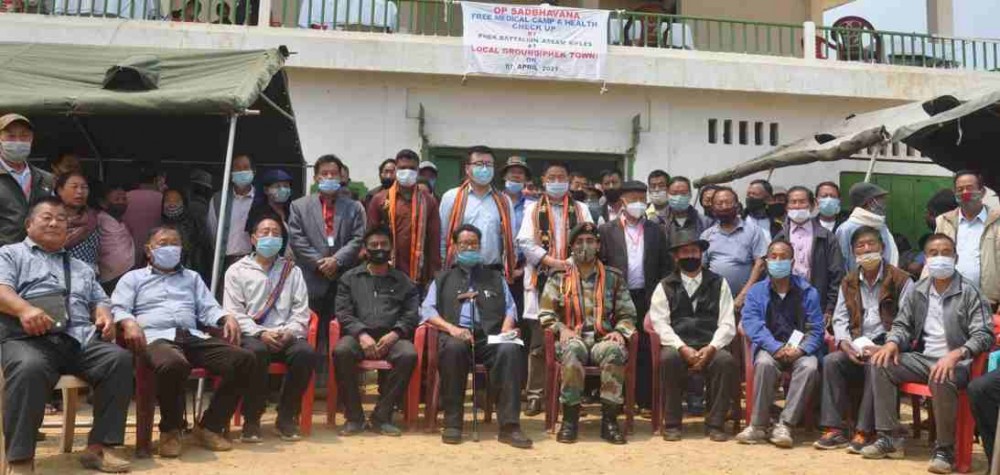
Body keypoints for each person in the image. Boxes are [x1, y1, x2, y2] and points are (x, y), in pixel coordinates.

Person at [0, 197, 134, 474]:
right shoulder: (10, 254)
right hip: (28, 340)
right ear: (28, 225)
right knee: (29, 368)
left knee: (117, 360)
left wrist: (103, 314)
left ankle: (100, 448)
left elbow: (100, 298)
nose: (54, 222)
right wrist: (24, 309)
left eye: (61, 219)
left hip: (77, 340)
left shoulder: (81, 267)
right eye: (46, 217)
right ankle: (21, 459)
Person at [112, 225, 254, 457]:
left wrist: (226, 316)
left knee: (244, 359)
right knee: (173, 364)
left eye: (174, 243)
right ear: (149, 250)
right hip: (156, 338)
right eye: (162, 243)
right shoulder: (133, 278)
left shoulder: (192, 277)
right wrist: (128, 323)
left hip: (191, 336)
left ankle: (209, 426)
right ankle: (171, 430)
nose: (169, 248)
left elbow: (208, 307)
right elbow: (119, 307)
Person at [864, 235, 993, 471]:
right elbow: (903, 325)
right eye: (934, 253)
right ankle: (889, 437)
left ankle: (945, 450)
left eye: (946, 252)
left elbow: (984, 334)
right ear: (926, 258)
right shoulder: (918, 290)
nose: (940, 257)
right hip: (923, 359)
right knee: (879, 362)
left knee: (941, 375)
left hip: (959, 365)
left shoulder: (970, 291)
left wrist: (957, 354)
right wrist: (892, 342)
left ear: (955, 257)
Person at [421, 224, 531, 448]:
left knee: (510, 349)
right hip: (456, 334)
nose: (470, 247)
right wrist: (451, 328)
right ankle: (453, 423)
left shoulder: (494, 276)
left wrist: (507, 326)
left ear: (480, 246)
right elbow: (427, 310)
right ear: (455, 247)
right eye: (464, 244)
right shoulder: (442, 278)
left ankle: (509, 427)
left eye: (474, 243)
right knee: (453, 349)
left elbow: (510, 308)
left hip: (490, 335)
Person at [814, 225, 914, 452]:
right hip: (856, 344)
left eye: (872, 244)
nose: (867, 249)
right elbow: (839, 318)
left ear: (883, 248)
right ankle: (834, 429)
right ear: (853, 253)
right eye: (860, 246)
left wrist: (886, 346)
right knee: (831, 362)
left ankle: (864, 430)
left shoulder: (902, 280)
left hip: (889, 346)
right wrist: (844, 343)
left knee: (876, 365)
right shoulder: (848, 282)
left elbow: (908, 322)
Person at [539, 222, 635, 444]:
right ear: (571, 247)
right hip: (574, 337)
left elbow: (628, 314)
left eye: (590, 241)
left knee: (614, 351)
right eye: (580, 242)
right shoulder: (558, 277)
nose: (585, 246)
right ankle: (570, 421)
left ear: (599, 245)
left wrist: (621, 332)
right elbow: (545, 314)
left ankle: (609, 421)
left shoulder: (614, 277)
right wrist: (561, 329)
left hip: (603, 338)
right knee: (571, 351)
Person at [225, 216, 318, 442]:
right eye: (264, 232)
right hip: (252, 335)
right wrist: (260, 333)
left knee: (305, 353)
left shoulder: (292, 271)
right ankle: (252, 419)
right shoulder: (236, 271)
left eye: (276, 233)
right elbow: (233, 312)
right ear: (253, 238)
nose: (270, 237)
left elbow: (301, 310)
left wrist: (289, 331)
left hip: (286, 333)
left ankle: (286, 417)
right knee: (256, 353)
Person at [516, 161, 592, 416]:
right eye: (552, 177)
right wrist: (552, 262)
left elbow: (590, 239)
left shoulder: (582, 209)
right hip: (542, 278)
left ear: (569, 180)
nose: (557, 181)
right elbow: (525, 242)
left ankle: (570, 397)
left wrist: (572, 262)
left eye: (562, 177)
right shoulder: (532, 209)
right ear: (544, 180)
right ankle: (536, 394)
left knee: (574, 338)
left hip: (576, 280)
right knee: (539, 342)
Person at [650, 229, 738, 442]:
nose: (690, 256)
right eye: (685, 252)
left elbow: (727, 322)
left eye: (694, 251)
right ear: (676, 256)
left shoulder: (719, 282)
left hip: (711, 344)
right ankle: (672, 424)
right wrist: (682, 348)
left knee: (725, 361)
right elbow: (660, 323)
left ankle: (716, 424)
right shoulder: (665, 285)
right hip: (679, 346)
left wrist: (712, 348)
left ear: (701, 254)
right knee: (668, 359)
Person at [736, 240, 824, 448]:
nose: (778, 261)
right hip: (770, 348)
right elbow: (752, 324)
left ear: (792, 262)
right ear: (766, 261)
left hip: (799, 349)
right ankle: (757, 426)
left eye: (783, 257)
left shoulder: (807, 291)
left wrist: (801, 349)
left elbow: (816, 329)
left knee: (810, 367)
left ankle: (785, 425)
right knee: (765, 364)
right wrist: (775, 347)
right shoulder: (757, 292)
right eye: (773, 256)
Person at [333, 226, 420, 436]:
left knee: (408, 354)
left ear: (391, 249)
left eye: (384, 245)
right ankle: (354, 417)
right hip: (358, 337)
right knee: (341, 351)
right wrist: (361, 334)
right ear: (365, 249)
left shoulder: (404, 281)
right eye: (374, 245)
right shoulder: (349, 278)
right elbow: (343, 312)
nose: (379, 249)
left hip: (392, 337)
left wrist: (395, 334)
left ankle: (382, 416)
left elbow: (411, 314)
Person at [288, 154, 366, 387]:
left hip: (343, 278)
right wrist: (321, 262)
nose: (329, 177)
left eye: (334, 174)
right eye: (325, 174)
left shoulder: (353, 207)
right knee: (309, 332)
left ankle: (339, 387)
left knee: (340, 334)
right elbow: (297, 239)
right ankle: (307, 385)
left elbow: (357, 238)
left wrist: (336, 261)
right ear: (316, 177)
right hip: (311, 278)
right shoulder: (299, 206)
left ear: (342, 177)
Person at [597, 180, 670, 413]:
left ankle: (644, 400)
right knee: (618, 347)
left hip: (647, 298)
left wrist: (659, 299)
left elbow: (664, 267)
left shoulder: (655, 230)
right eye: (633, 198)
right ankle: (616, 399)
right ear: (621, 201)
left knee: (646, 348)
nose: (638, 203)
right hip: (616, 299)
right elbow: (602, 265)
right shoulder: (607, 230)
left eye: (642, 197)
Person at [438, 145, 517, 282]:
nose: (484, 169)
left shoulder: (504, 201)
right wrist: (445, 272)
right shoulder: (451, 197)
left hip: (493, 272)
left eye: (489, 164)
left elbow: (512, 241)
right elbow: (443, 238)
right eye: (479, 164)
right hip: (459, 272)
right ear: (467, 169)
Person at [367, 149, 442, 286]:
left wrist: (434, 278)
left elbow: (434, 243)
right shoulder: (380, 199)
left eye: (411, 168)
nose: (407, 172)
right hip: (385, 271)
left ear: (418, 172)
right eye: (402, 168)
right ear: (395, 170)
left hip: (418, 275)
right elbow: (370, 237)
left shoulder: (429, 202)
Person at [773, 186, 845, 325]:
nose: (797, 206)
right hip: (786, 303)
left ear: (812, 205)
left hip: (818, 304)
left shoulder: (826, 237)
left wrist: (830, 308)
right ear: (787, 206)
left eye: (802, 202)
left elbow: (837, 274)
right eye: (793, 202)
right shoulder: (780, 237)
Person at [933, 171, 1000, 310]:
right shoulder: (943, 222)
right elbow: (933, 259)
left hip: (988, 305)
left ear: (982, 192)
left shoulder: (997, 222)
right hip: (950, 302)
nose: (965, 193)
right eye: (960, 189)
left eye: (970, 188)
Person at [701, 187, 768, 309]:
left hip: (746, 300)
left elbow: (760, 265)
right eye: (719, 203)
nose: (724, 206)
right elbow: (701, 268)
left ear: (737, 205)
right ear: (713, 207)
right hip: (714, 301)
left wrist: (743, 295)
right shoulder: (707, 235)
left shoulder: (753, 231)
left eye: (729, 202)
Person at [0, 113, 55, 246]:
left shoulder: (46, 179)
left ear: (31, 139)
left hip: (39, 255)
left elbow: (53, 215)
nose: (18, 141)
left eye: (24, 136)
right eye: (11, 136)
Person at [836, 182, 899, 272]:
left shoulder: (880, 225)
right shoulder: (846, 229)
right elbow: (842, 263)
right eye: (881, 199)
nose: (884, 203)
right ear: (871, 202)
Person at [208, 153, 257, 268]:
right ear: (230, 173)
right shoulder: (219, 200)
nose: (241, 171)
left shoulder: (260, 199)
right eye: (237, 168)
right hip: (227, 262)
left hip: (256, 262)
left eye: (245, 168)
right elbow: (212, 233)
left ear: (253, 171)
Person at [56, 171, 101, 270]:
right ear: (60, 190)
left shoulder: (92, 219)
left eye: (84, 187)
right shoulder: (50, 221)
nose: (80, 191)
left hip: (87, 278)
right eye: (74, 186)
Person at [95, 182, 135, 294]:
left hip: (127, 273)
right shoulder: (99, 220)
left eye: (124, 199)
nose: (122, 202)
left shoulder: (122, 223)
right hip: (109, 277)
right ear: (103, 203)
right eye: (117, 199)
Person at [122, 161, 164, 267]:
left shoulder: (125, 198)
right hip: (155, 253)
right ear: (156, 179)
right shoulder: (162, 199)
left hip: (128, 254)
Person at [162, 188, 210, 276]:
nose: (172, 204)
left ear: (184, 202)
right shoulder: (159, 227)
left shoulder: (194, 226)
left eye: (176, 200)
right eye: (168, 200)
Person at [246, 169, 295, 234]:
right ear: (266, 190)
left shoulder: (292, 211)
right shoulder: (257, 212)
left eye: (286, 186)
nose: (283, 190)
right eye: (277, 186)